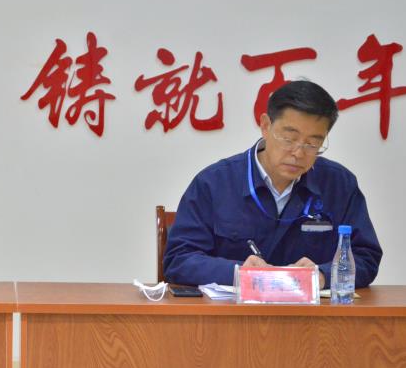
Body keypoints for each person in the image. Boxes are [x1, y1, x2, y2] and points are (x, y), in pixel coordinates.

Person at [163, 80, 382, 288]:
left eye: (312, 144)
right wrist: (238, 273)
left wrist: (323, 275)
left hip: (312, 313)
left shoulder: (339, 185)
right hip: (233, 311)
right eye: (289, 139)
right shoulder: (214, 183)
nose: (298, 153)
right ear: (265, 126)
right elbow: (179, 259)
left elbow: (366, 257)